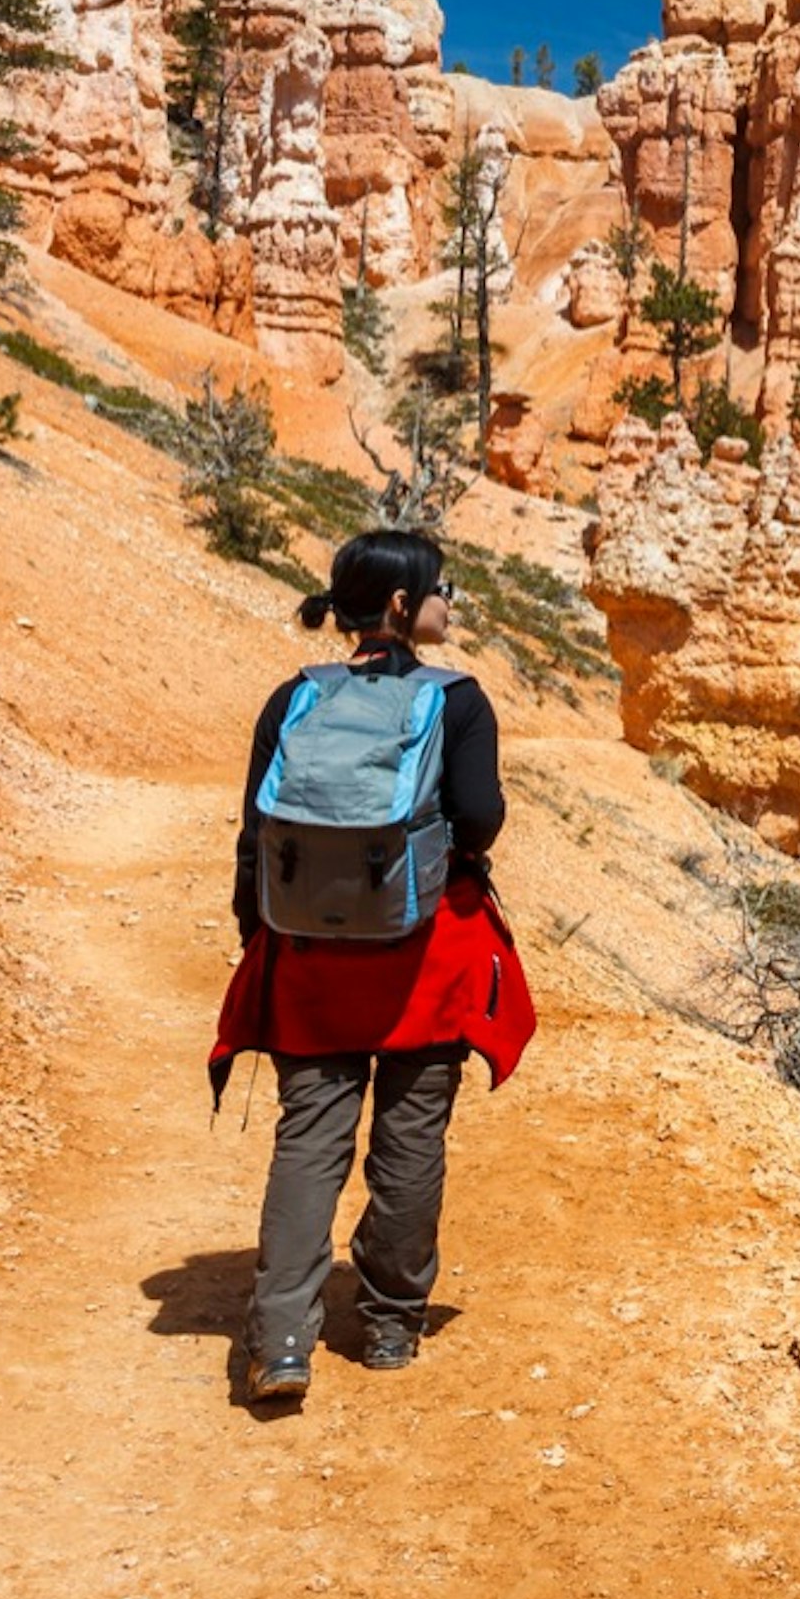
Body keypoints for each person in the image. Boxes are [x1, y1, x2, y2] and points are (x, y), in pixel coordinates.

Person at [209, 528, 535, 1406]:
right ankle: (390, 1322)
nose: (449, 602)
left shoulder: (294, 699)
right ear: (400, 605)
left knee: (310, 1140)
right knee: (410, 1138)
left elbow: (255, 836)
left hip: (312, 960)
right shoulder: (457, 700)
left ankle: (280, 1338)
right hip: (423, 957)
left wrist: (260, 942)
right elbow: (479, 822)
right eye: (440, 588)